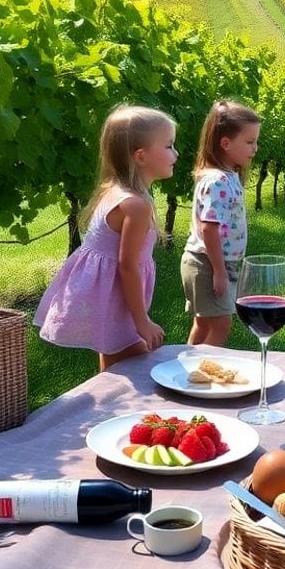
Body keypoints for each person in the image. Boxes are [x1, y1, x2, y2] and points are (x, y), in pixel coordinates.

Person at [34, 105, 175, 371]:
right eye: (168, 146)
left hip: (110, 294)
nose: (176, 154)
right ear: (141, 156)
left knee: (115, 363)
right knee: (134, 365)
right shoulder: (135, 204)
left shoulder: (116, 191)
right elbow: (128, 266)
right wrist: (141, 321)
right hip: (116, 294)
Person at [182, 100, 262, 346]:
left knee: (204, 323)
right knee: (220, 324)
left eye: (256, 141)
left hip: (208, 262)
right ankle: (204, 376)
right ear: (225, 143)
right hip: (208, 263)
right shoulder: (218, 181)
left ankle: (189, 374)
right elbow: (210, 228)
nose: (255, 148)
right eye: (249, 142)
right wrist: (218, 271)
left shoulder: (228, 176)